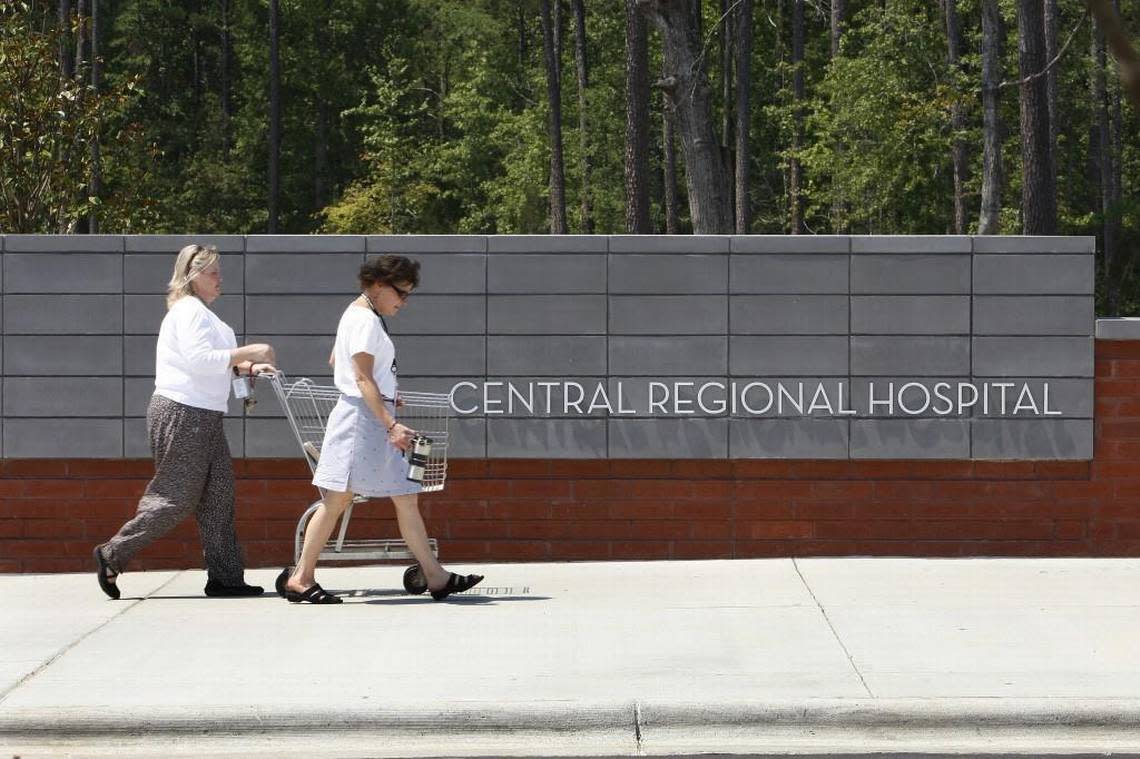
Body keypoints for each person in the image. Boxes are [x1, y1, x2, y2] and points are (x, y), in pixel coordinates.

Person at [279, 255, 483, 604]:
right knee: (337, 499)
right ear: (377, 285)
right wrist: (389, 422)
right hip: (362, 422)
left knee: (403, 496)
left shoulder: (360, 316)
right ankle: (301, 577)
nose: (403, 301)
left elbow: (336, 360)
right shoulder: (365, 321)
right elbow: (359, 377)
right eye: (400, 293)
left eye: (407, 294)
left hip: (366, 416)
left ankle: (436, 576)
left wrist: (387, 393)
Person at [93, 243, 277, 599]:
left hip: (204, 414)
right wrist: (252, 349)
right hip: (183, 412)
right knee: (175, 496)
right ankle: (112, 552)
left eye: (219, 271)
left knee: (220, 495)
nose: (219, 278)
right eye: (212, 273)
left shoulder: (206, 316)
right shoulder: (189, 311)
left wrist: (249, 366)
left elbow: (217, 361)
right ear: (193, 277)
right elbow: (200, 360)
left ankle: (226, 578)